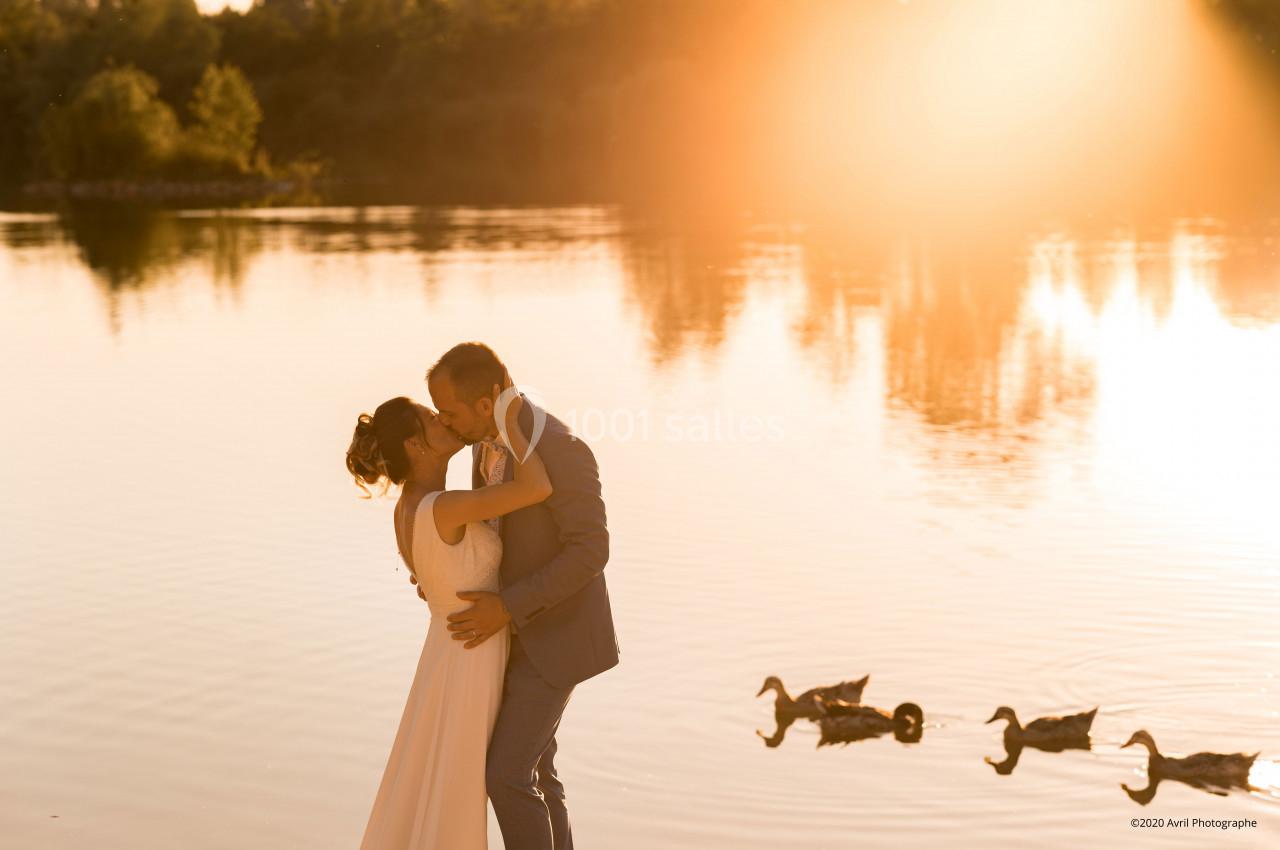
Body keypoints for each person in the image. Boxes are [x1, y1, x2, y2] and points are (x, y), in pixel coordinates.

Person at [428, 342, 619, 850]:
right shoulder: (481, 443)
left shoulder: (560, 447)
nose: (444, 423)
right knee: (536, 770)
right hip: (509, 640)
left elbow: (591, 550)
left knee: (506, 775)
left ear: (486, 399)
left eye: (449, 412)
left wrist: (509, 607)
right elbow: (495, 537)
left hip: (557, 637)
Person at [347, 374, 550, 850]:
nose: (443, 418)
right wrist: (510, 419)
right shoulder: (448, 507)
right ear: (417, 446)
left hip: (445, 652)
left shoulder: (407, 511)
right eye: (431, 418)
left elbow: (430, 583)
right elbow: (538, 485)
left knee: (436, 777)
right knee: (456, 784)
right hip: (470, 659)